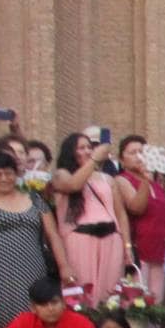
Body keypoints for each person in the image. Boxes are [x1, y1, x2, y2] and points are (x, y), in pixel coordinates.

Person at [0, 146, 73, 326]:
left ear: (17, 174)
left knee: (35, 316)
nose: (4, 178)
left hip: (32, 269)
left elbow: (53, 235)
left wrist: (64, 266)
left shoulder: (35, 199)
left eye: (8, 173)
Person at [53, 131, 134, 307]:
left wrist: (127, 245)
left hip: (111, 238)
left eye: (90, 147)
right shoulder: (61, 175)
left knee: (110, 293)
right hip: (80, 238)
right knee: (82, 292)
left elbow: (121, 214)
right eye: (81, 148)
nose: (88, 151)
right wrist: (95, 160)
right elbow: (74, 184)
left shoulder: (107, 179)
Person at [114, 136, 165, 328]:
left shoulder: (157, 182)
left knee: (156, 304)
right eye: (132, 152)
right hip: (140, 248)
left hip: (160, 250)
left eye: (142, 151)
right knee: (139, 303)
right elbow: (136, 207)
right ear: (122, 159)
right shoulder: (124, 180)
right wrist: (146, 182)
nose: (139, 156)